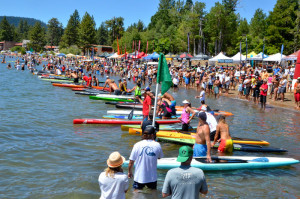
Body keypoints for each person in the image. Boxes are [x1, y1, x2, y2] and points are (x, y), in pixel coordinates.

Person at [128, 126, 164, 191]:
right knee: (153, 194)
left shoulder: (137, 145)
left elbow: (131, 161)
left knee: (136, 195)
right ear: (153, 135)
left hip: (139, 177)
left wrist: (129, 172)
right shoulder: (157, 145)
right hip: (152, 177)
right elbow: (159, 157)